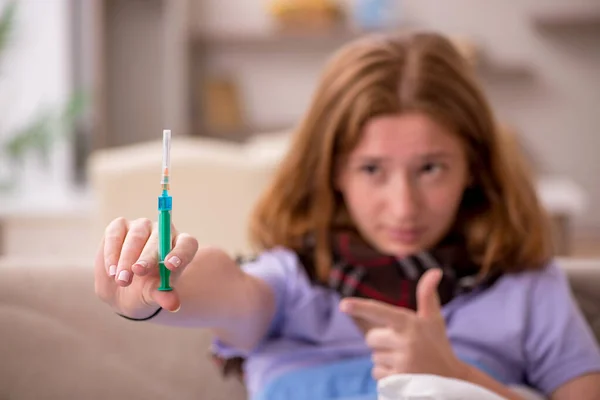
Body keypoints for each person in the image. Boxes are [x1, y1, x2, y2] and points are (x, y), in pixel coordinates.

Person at [94, 31, 600, 400]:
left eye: (430, 168)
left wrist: (458, 378)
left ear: (473, 164)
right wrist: (148, 291)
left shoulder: (527, 285)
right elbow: (229, 287)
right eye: (372, 169)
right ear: (333, 170)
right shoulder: (292, 281)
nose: (403, 206)